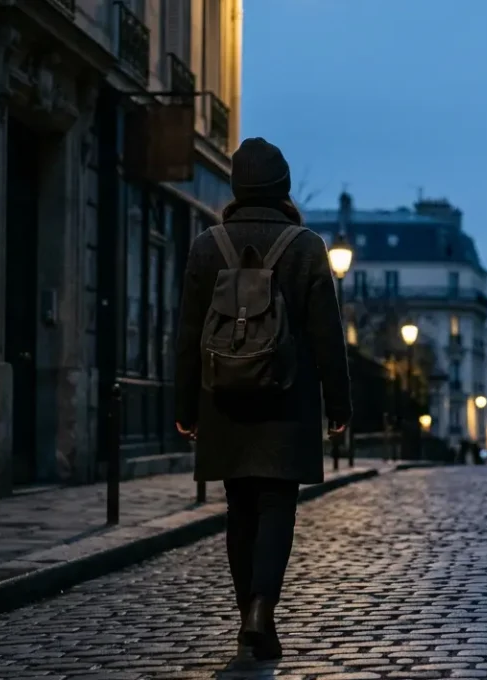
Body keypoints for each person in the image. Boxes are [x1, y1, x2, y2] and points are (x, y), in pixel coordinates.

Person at [174, 137, 351, 660]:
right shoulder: (306, 246)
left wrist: (185, 408)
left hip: (223, 397)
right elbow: (327, 336)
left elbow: (186, 336)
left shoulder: (208, 245)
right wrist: (338, 406)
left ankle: (248, 615)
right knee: (277, 504)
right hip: (287, 399)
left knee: (239, 507)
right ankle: (261, 611)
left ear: (236, 186)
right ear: (282, 187)